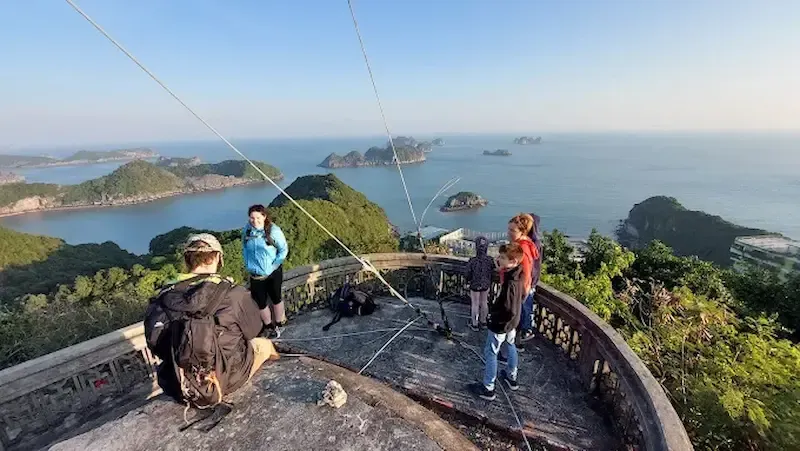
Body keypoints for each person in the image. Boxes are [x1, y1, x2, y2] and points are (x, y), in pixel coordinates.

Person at [145, 233, 279, 406]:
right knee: (264, 344)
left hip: (179, 384)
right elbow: (253, 330)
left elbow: (155, 345)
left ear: (187, 260)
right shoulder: (235, 294)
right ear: (217, 257)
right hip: (227, 379)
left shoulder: (163, 298)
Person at [472, 243, 526, 401]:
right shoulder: (518, 276)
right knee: (511, 345)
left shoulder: (510, 283)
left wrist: (492, 317)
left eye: (502, 257)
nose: (499, 259)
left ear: (513, 261)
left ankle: (488, 388)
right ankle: (512, 377)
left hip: (501, 324)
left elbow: (508, 309)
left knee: (491, 352)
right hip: (512, 323)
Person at [243, 204, 289, 339]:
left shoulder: (273, 231)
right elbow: (244, 248)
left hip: (273, 272)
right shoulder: (247, 231)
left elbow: (283, 250)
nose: (254, 220)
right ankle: (269, 326)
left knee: (276, 298)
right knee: (260, 303)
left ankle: (280, 324)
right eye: (252, 218)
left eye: (258, 217)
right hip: (255, 274)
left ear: (264, 216)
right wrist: (248, 265)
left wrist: (274, 266)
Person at [505, 213, 539, 345]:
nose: (509, 233)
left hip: (518, 289)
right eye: (509, 229)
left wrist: (523, 292)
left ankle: (510, 349)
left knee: (513, 321)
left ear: (522, 231)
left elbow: (526, 271)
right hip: (520, 288)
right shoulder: (526, 244)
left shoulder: (522, 247)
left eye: (512, 230)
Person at [518, 213, 543, 341]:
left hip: (528, 281)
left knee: (525, 308)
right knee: (524, 308)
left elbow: (532, 265)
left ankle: (525, 331)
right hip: (529, 280)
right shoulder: (532, 242)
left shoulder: (533, 243)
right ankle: (523, 331)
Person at [465, 236, 494, 331]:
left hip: (475, 284)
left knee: (475, 303)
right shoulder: (490, 260)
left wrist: (468, 280)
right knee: (484, 302)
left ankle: (475, 324)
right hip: (486, 284)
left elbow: (467, 274)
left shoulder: (473, 261)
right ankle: (484, 322)